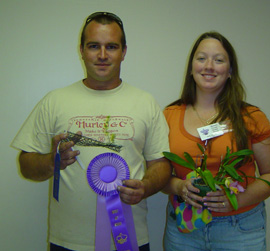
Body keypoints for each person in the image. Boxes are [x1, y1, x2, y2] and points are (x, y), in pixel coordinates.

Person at [11, 12, 171, 251]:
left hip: (129, 240)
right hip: (68, 242)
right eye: (94, 46)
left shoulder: (145, 102)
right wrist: (52, 161)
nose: (103, 55)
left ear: (124, 51)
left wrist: (146, 187)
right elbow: (26, 165)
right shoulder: (54, 101)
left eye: (112, 47)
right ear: (82, 50)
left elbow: (161, 164)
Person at [162, 31, 270, 251]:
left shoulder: (251, 117)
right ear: (191, 68)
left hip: (239, 228)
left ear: (229, 72)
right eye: (201, 58)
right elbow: (158, 174)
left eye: (218, 60)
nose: (209, 66)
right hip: (184, 229)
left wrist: (237, 200)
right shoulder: (168, 116)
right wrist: (179, 186)